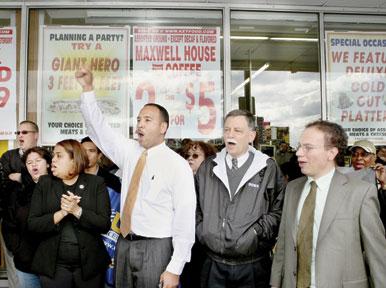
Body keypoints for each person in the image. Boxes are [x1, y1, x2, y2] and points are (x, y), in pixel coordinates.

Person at [75, 67, 196, 288]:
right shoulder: (130, 151)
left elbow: (185, 219)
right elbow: (98, 129)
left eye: (147, 120)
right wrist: (88, 89)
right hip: (124, 244)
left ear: (163, 127)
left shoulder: (177, 165)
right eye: (139, 119)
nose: (140, 124)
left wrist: (174, 268)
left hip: (156, 247)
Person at [270, 120, 386, 288]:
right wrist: (275, 283)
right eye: (299, 146)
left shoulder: (361, 192)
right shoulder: (293, 189)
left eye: (308, 148)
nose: (299, 153)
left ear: (331, 153)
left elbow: (377, 255)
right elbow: (283, 244)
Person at [195, 109, 286, 288]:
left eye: (237, 131)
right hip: (213, 264)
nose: (230, 135)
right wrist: (202, 231)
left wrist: (255, 233)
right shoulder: (208, 167)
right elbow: (194, 206)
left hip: (252, 266)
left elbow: (279, 210)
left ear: (251, 135)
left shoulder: (267, 168)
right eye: (227, 130)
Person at [28, 139, 111, 288]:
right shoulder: (44, 183)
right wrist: (62, 213)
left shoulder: (96, 183)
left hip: (89, 266)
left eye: (59, 155)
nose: (53, 160)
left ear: (74, 159)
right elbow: (33, 224)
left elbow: (104, 224)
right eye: (53, 155)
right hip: (53, 266)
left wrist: (77, 211)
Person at [2, 147, 52, 288]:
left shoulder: (59, 188)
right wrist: (19, 250)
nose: (33, 165)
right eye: (29, 163)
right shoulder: (18, 192)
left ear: (48, 163)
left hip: (54, 264)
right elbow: (8, 225)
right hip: (26, 263)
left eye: (38, 160)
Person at [0, 120, 39, 288]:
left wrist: (20, 177)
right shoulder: (9, 156)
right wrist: (32, 178)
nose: (20, 136)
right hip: (12, 221)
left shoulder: (46, 155)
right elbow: (5, 184)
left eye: (25, 132)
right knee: (14, 270)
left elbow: (47, 182)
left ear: (36, 135)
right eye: (18, 133)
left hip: (39, 222)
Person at [81, 136, 121, 287]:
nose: (86, 155)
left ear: (99, 155)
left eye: (91, 151)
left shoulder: (112, 181)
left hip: (105, 246)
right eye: (82, 151)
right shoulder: (70, 177)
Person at [180, 141, 216, 288]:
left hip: (204, 245)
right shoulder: (181, 180)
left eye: (195, 155)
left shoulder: (214, 184)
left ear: (207, 159)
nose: (190, 159)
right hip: (183, 244)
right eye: (187, 155)